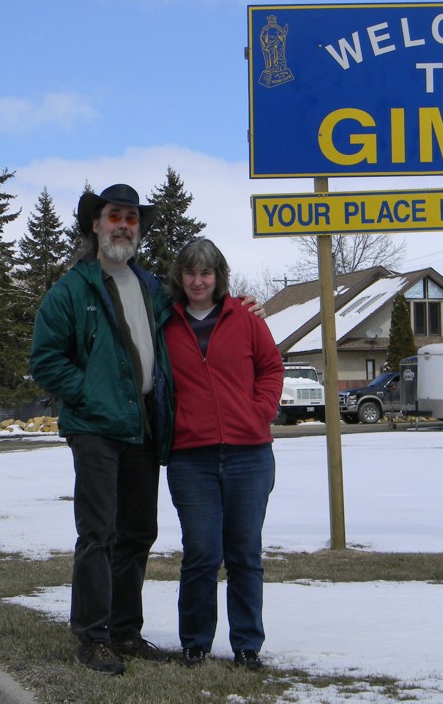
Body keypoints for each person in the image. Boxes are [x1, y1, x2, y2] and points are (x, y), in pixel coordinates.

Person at [28, 184, 262, 676]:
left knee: (138, 532)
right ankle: (92, 638)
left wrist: (239, 305)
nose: (124, 226)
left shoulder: (150, 285)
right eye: (115, 216)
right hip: (95, 428)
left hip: (141, 428)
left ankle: (125, 632)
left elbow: (192, 313)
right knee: (99, 533)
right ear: (95, 224)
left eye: (132, 218)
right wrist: (90, 392)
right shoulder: (72, 289)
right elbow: (46, 360)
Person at [164, 238, 283, 671]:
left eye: (207, 273)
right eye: (191, 273)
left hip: (249, 455)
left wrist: (259, 411)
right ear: (180, 277)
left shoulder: (246, 318)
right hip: (190, 457)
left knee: (244, 554)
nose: (198, 281)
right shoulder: (166, 323)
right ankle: (195, 643)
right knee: (201, 552)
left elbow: (271, 367)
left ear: (219, 277)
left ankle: (247, 646)